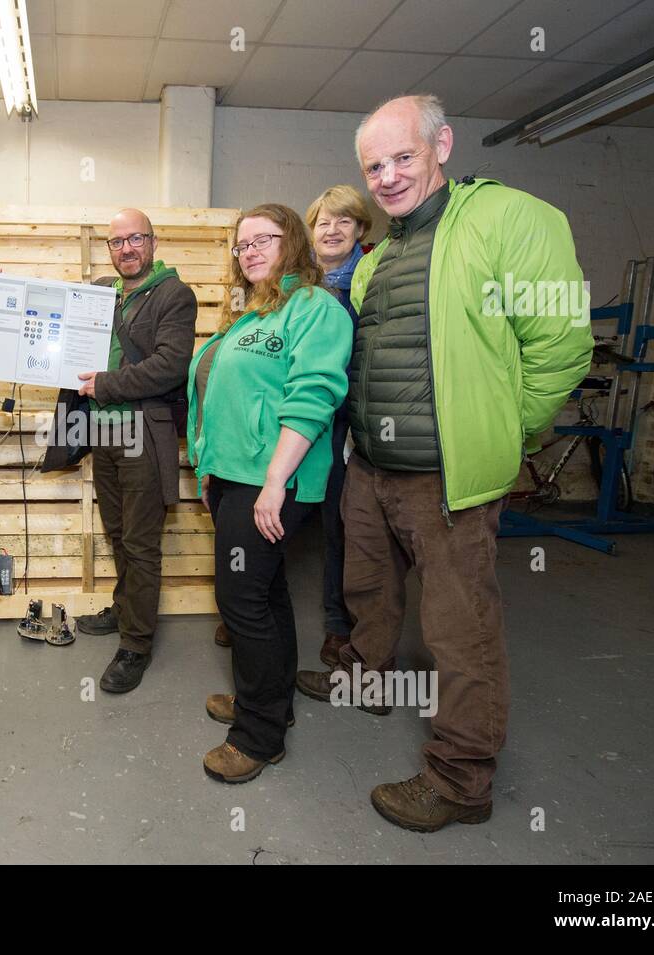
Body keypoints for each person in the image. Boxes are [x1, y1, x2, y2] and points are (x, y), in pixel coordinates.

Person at [295, 94, 594, 831]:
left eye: (403, 157)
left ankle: (462, 779)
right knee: (369, 589)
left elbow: (561, 349)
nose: (389, 176)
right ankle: (365, 680)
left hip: (446, 476)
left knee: (459, 628)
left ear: (443, 146)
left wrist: (500, 433)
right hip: (370, 464)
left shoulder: (509, 220)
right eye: (375, 166)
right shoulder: (377, 259)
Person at [188, 203, 351, 783]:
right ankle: (270, 703)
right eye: (242, 244)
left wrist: (275, 482)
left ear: (295, 243)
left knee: (241, 603)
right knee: (267, 592)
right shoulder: (256, 312)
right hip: (236, 476)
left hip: (274, 481)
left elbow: (313, 397)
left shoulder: (314, 307)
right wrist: (212, 465)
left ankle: (258, 738)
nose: (250, 250)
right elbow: (225, 398)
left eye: (264, 239)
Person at [73, 209, 197, 693]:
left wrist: (106, 383)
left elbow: (170, 366)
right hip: (103, 433)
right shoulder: (101, 291)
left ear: (153, 242)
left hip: (143, 431)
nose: (126, 248)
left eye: (136, 239)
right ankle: (126, 607)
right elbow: (49, 314)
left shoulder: (174, 295)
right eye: (117, 241)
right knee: (119, 530)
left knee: (141, 541)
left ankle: (137, 644)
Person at [304, 185, 370, 668]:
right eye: (324, 221)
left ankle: (337, 625)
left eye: (344, 221)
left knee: (338, 527)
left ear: (360, 230)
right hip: (296, 419)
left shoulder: (369, 284)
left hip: (343, 424)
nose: (332, 230)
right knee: (274, 517)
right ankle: (252, 606)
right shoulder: (299, 284)